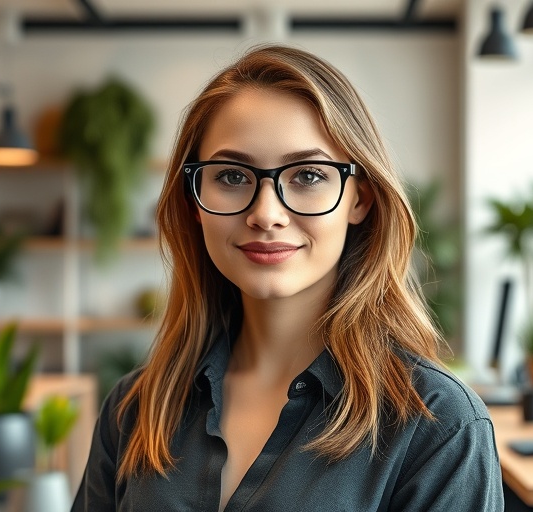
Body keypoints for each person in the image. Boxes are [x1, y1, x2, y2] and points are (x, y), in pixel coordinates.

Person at [72, 44, 503, 512]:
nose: (266, 213)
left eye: (309, 175)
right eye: (233, 176)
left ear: (360, 198)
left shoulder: (438, 425)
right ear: (194, 202)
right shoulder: (133, 409)